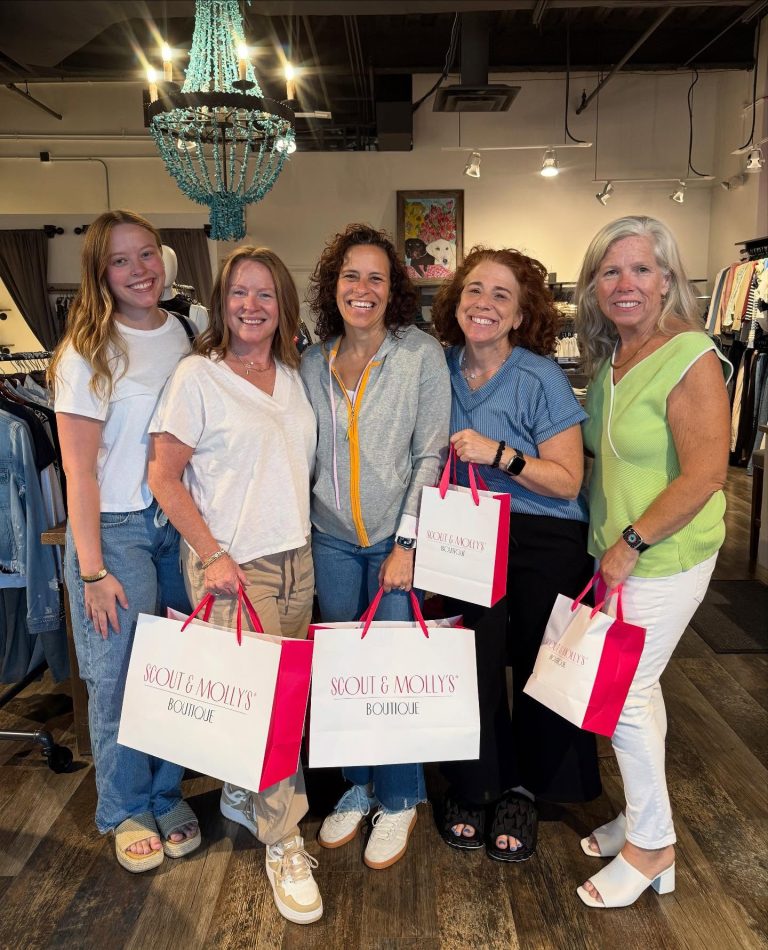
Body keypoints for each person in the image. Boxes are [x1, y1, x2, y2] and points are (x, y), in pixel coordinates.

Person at [147, 246, 322, 925]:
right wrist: (212, 553)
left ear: (283, 306)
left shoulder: (294, 374)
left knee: (281, 701)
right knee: (270, 708)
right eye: (239, 293)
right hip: (235, 567)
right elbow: (164, 476)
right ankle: (284, 841)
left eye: (265, 294)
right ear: (221, 303)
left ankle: (242, 793)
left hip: (296, 558)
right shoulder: (198, 375)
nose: (251, 305)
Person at [574, 216, 732, 908]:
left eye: (641, 269)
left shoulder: (690, 353)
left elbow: (705, 474)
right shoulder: (613, 359)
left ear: (667, 279)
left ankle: (653, 846)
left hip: (663, 556)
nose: (625, 283)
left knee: (624, 698)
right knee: (641, 693)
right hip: (619, 558)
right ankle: (642, 819)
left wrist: (630, 544)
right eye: (610, 271)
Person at [430, 246, 601, 863]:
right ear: (456, 300)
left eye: (502, 295)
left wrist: (500, 455)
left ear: (522, 313)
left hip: (540, 534)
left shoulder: (539, 376)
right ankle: (475, 783)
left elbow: (568, 481)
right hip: (464, 532)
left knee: (535, 667)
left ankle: (525, 788)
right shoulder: (438, 366)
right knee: (470, 664)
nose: (485, 304)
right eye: (475, 290)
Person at [49, 209, 199, 873]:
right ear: (100, 272)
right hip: (115, 531)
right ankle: (125, 806)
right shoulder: (86, 350)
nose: (139, 270)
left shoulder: (185, 331)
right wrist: (90, 570)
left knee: (174, 673)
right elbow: (79, 471)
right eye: (120, 260)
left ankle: (166, 792)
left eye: (146, 254)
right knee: (116, 681)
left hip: (177, 524)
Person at [300, 223, 450, 869]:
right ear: (332, 286)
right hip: (330, 542)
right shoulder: (313, 362)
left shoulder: (419, 355)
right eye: (350, 276)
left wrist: (409, 543)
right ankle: (358, 786)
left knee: (391, 675)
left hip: (395, 540)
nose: (362, 289)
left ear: (393, 290)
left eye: (376, 278)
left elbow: (430, 453)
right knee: (344, 675)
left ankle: (400, 797)